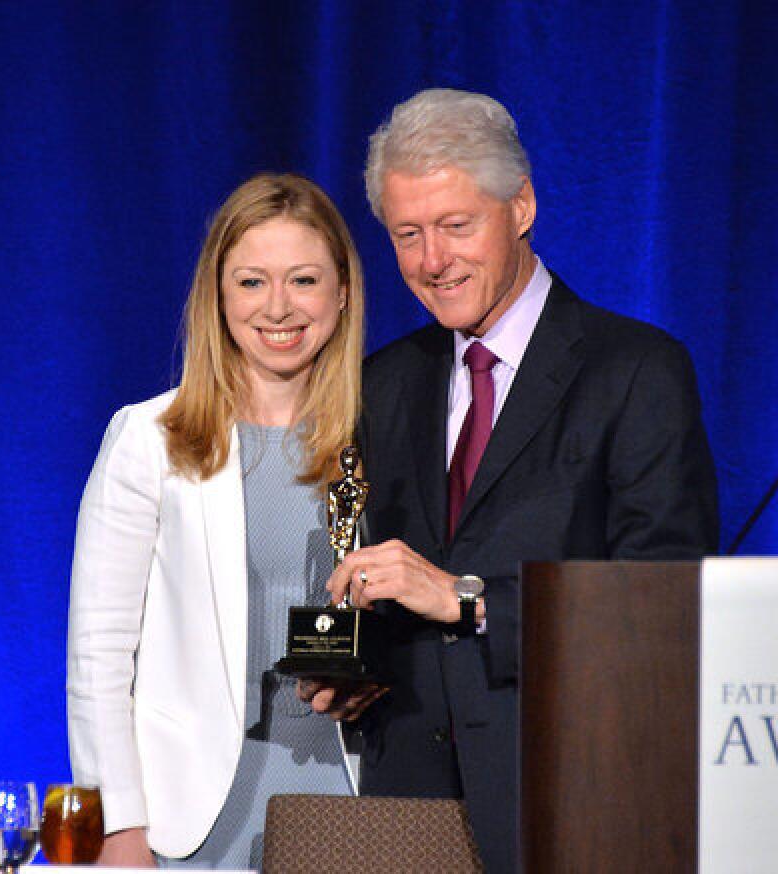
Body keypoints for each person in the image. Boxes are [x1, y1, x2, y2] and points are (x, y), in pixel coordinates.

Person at [302, 88, 720, 873]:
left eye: (457, 226)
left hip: (572, 798)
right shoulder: (382, 384)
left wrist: (469, 599)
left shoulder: (636, 370)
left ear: (521, 207)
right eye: (408, 234)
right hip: (408, 809)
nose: (433, 261)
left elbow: (666, 605)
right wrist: (351, 664)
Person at [66, 173, 368, 868]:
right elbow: (98, 658)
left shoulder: (381, 440)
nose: (280, 307)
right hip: (193, 823)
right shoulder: (150, 437)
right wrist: (117, 829)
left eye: (304, 280)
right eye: (252, 282)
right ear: (218, 295)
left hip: (353, 809)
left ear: (342, 291)